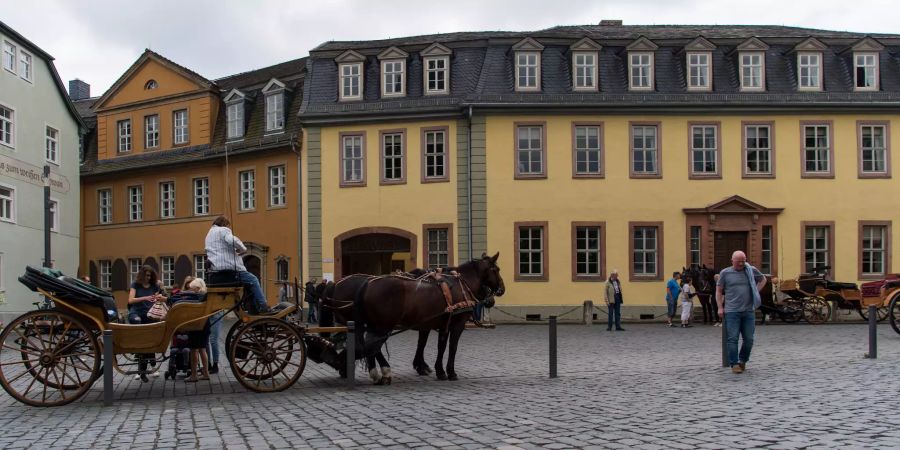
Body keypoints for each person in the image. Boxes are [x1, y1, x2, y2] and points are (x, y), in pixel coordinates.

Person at [204, 215, 270, 314]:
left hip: (216, 273)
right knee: (253, 280)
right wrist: (243, 249)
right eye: (228, 225)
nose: (228, 228)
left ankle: (254, 310)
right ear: (225, 224)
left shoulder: (209, 234)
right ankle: (263, 306)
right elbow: (233, 240)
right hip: (229, 271)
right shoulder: (223, 230)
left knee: (249, 284)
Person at [717, 250, 766, 374]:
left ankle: (743, 360)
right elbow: (719, 291)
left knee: (749, 339)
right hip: (732, 311)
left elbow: (763, 279)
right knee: (732, 339)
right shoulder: (725, 273)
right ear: (732, 261)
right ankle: (734, 364)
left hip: (748, 310)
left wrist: (756, 291)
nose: (741, 264)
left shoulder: (750, 270)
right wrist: (720, 307)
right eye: (738, 261)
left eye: (743, 261)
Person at [128, 265, 167, 382]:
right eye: (146, 275)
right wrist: (145, 297)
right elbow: (130, 300)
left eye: (150, 275)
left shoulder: (155, 285)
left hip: (150, 315)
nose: (148, 277)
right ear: (142, 274)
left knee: (149, 344)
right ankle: (143, 370)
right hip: (137, 314)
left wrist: (158, 297)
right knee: (138, 328)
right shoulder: (135, 285)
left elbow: (158, 299)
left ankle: (143, 370)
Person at [181, 277, 211, 382]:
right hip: (205, 324)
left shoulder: (197, 296)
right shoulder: (203, 295)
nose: (190, 291)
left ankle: (194, 375)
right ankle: (206, 373)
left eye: (191, 289)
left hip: (197, 325)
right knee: (202, 349)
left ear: (197, 288)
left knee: (194, 350)